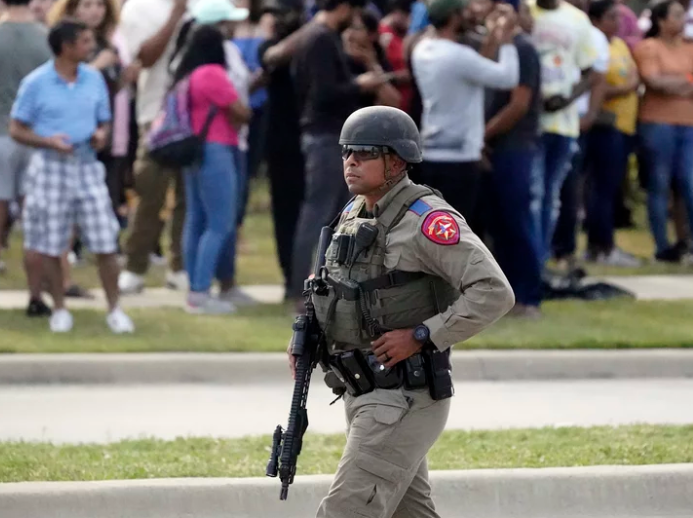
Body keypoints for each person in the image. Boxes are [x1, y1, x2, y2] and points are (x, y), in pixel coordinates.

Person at [290, 105, 514, 518]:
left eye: (363, 152)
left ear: (395, 161)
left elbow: (494, 292)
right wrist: (305, 336)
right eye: (345, 152)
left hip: (403, 397)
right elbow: (332, 286)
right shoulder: (354, 211)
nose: (350, 161)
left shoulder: (427, 220)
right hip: (361, 389)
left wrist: (423, 334)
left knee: (346, 510)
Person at [9, 19, 134, 333]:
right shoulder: (36, 83)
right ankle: (60, 308)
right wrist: (47, 141)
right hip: (50, 166)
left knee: (105, 241)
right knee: (52, 242)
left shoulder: (93, 80)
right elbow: (17, 128)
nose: (91, 47)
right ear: (66, 47)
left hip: (87, 164)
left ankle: (114, 308)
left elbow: (102, 121)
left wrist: (100, 135)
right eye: (84, 41)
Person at [287, 0, 386, 312]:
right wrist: (359, 83)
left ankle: (326, 284)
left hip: (325, 135)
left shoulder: (320, 37)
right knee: (318, 214)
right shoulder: (319, 39)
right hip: (325, 136)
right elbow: (322, 93)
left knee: (334, 214)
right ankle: (300, 292)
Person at [412, 0, 519, 227]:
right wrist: (507, 39)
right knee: (455, 230)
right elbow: (507, 77)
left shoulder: (421, 49)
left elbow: (476, 67)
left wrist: (491, 36)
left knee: (430, 227)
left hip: (431, 151)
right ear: (453, 17)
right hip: (460, 159)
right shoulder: (458, 56)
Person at [168, 24, 251, 313]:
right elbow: (240, 110)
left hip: (194, 151)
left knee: (196, 220)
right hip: (216, 148)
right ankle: (201, 291)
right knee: (220, 222)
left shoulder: (188, 75)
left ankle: (195, 288)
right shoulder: (213, 73)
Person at [118, 0, 190, 294]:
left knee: (189, 199)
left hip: (196, 116)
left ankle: (180, 267)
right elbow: (145, 57)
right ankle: (134, 267)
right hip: (156, 114)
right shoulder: (138, 8)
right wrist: (176, 13)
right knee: (150, 194)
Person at [484, 0, 543, 318]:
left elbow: (519, 104)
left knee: (518, 221)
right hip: (495, 145)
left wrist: (482, 135)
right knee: (500, 224)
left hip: (515, 145)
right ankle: (506, 297)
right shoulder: (492, 47)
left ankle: (529, 296)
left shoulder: (522, 49)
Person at [529, 0, 597, 264]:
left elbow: (589, 72)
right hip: (528, 123)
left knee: (550, 196)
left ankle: (541, 259)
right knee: (532, 196)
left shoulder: (578, 19)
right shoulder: (524, 11)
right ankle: (530, 262)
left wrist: (567, 99)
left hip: (563, 123)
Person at [633, 0, 693, 263]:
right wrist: (687, 82)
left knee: (689, 184)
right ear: (661, 20)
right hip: (657, 124)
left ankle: (686, 241)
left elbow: (666, 81)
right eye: (677, 15)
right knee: (659, 183)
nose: (683, 20)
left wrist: (675, 84)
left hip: (688, 124)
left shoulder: (690, 48)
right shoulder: (649, 47)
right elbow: (653, 80)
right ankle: (662, 247)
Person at [583, 0, 640, 266]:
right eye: (611, 17)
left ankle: (603, 243)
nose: (617, 22)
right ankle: (601, 245)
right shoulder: (592, 43)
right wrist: (624, 88)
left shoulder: (618, 44)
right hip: (600, 125)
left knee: (609, 187)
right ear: (595, 19)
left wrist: (629, 85)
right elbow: (597, 84)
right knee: (600, 188)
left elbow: (634, 76)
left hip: (622, 124)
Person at [0, 0, 52, 291]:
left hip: (1, 129)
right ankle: (38, 258)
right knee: (32, 203)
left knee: (1, 200)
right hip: (35, 133)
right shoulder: (44, 37)